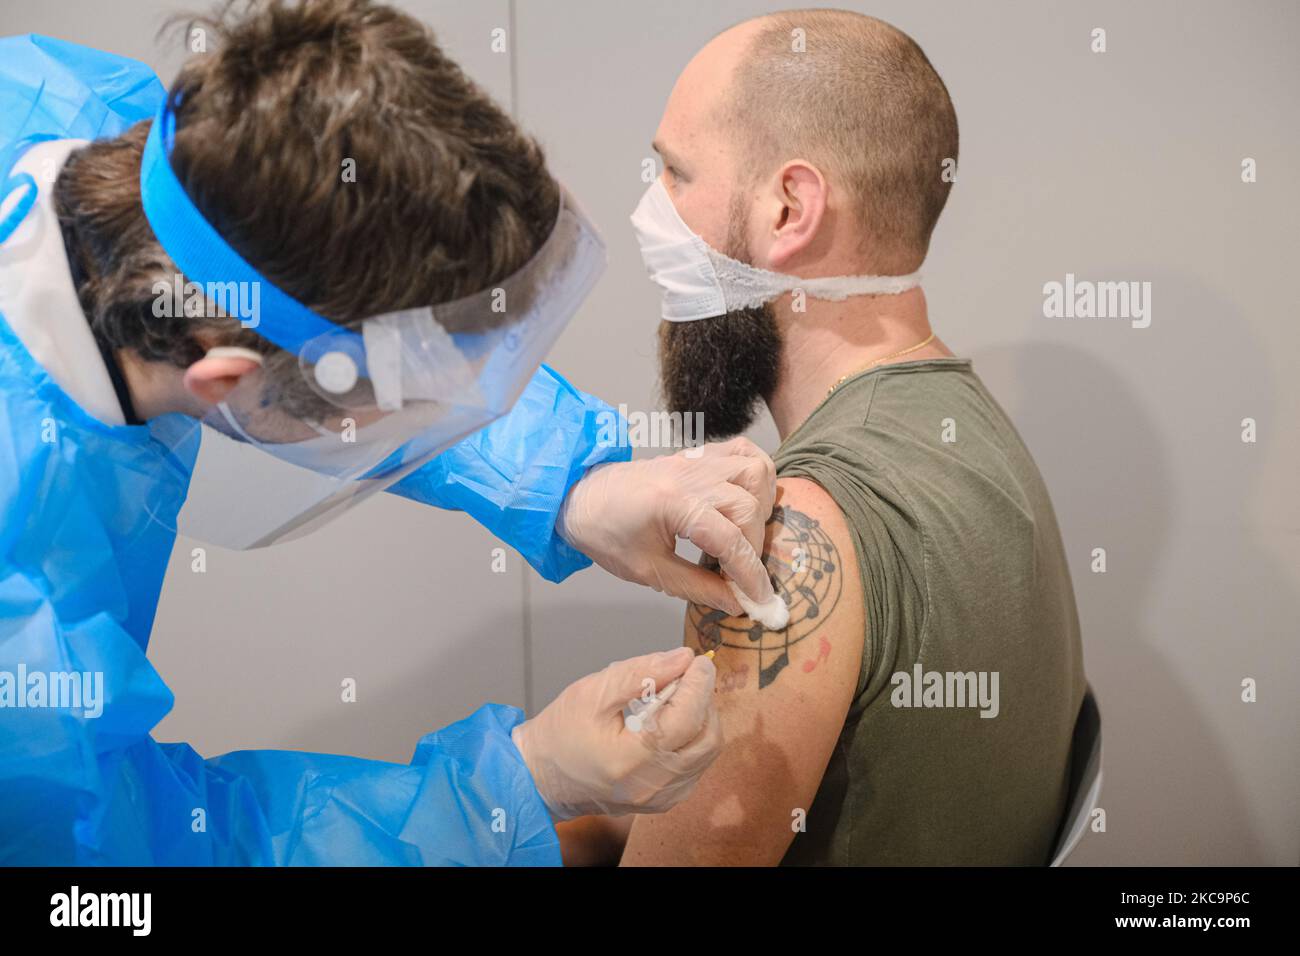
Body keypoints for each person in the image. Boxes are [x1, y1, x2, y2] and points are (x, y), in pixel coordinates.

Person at [0, 0, 778, 865]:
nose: (427, 422)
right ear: (227, 380)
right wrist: (522, 784)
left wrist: (574, 484)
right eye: (401, 409)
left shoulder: (122, 129)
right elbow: (131, 865)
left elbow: (366, 346)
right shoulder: (24, 645)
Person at [559, 9, 1086, 866]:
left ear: (790, 207)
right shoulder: (975, 431)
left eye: (675, 175)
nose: (649, 214)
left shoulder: (785, 528)